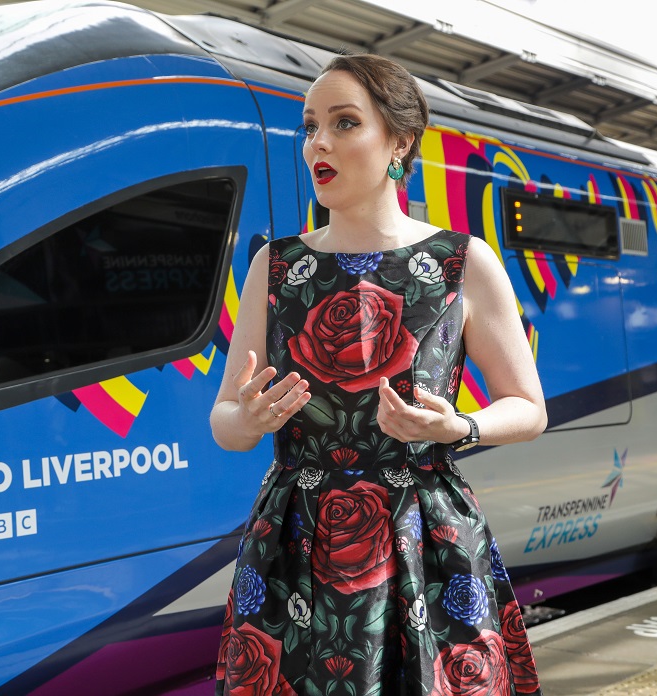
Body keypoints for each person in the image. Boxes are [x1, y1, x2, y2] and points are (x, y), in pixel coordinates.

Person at [210, 53, 547, 696]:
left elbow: (528, 407)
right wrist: (246, 418)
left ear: (399, 142)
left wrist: (460, 427)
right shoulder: (274, 268)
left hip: (426, 536)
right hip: (296, 542)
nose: (318, 144)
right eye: (310, 127)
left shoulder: (462, 262)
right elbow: (226, 422)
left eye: (343, 123)